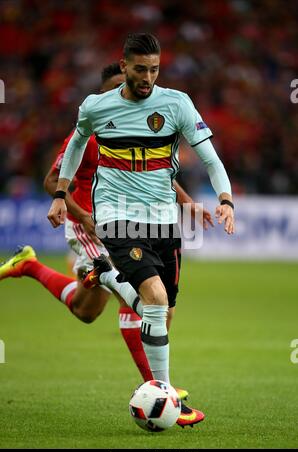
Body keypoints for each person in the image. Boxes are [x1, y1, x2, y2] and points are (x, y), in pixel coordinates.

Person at [0, 63, 213, 410]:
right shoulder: (88, 131)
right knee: (140, 299)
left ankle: (29, 265)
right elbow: (52, 182)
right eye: (120, 87)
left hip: (131, 222)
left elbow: (154, 170)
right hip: (92, 226)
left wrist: (188, 202)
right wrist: (82, 216)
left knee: (86, 310)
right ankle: (161, 390)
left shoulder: (139, 126)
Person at [47, 33, 235, 427]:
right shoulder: (96, 108)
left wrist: (225, 200)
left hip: (163, 222)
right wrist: (61, 194)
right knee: (154, 295)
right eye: (140, 69)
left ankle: (110, 276)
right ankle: (165, 395)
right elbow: (77, 146)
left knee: (163, 310)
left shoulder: (177, 103)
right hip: (117, 217)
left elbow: (211, 158)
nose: (147, 77)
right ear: (125, 65)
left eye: (154, 69)